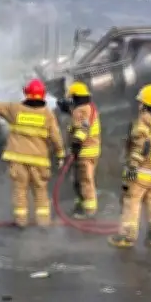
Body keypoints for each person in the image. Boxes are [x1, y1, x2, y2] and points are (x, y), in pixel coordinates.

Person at [0, 79, 66, 227]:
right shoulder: (48, 115)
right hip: (39, 162)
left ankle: (21, 221)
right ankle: (43, 222)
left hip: (18, 160)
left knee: (20, 191)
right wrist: (60, 154)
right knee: (40, 191)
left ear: (26, 93)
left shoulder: (15, 109)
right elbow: (56, 137)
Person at [108, 83, 151, 248]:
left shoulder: (143, 123)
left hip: (139, 174)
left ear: (146, 105)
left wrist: (129, 173)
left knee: (131, 202)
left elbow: (138, 149)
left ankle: (127, 237)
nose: (139, 105)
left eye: (141, 102)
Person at [57, 81, 101, 219]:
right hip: (87, 151)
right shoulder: (87, 107)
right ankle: (80, 205)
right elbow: (81, 121)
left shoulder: (81, 110)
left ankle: (89, 211)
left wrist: (76, 144)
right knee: (78, 180)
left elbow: (83, 128)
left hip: (84, 152)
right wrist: (67, 110)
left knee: (84, 181)